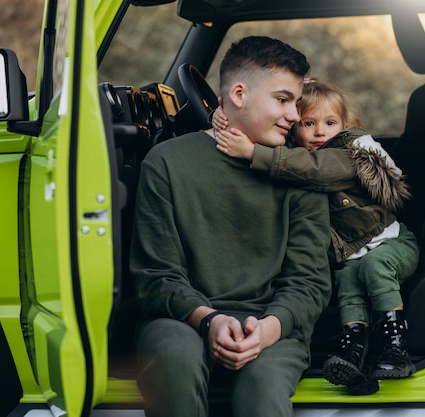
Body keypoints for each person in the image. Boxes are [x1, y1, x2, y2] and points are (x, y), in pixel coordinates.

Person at [129, 36, 332, 417]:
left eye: (296, 103)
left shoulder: (300, 171)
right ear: (238, 94)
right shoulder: (166, 163)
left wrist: (268, 329)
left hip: (273, 324)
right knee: (175, 355)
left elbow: (309, 282)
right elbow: (156, 274)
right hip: (183, 319)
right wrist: (210, 321)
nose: (293, 116)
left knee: (263, 387)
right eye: (283, 100)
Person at [212, 77, 420, 395]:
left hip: (392, 243)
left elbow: (312, 169)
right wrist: (223, 115)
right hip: (353, 253)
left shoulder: (350, 153)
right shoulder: (298, 154)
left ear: (345, 124)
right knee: (348, 282)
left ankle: (396, 346)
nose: (320, 131)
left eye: (330, 122)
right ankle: (355, 350)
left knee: (374, 268)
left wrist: (253, 152)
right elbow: (288, 156)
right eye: (309, 123)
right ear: (295, 125)